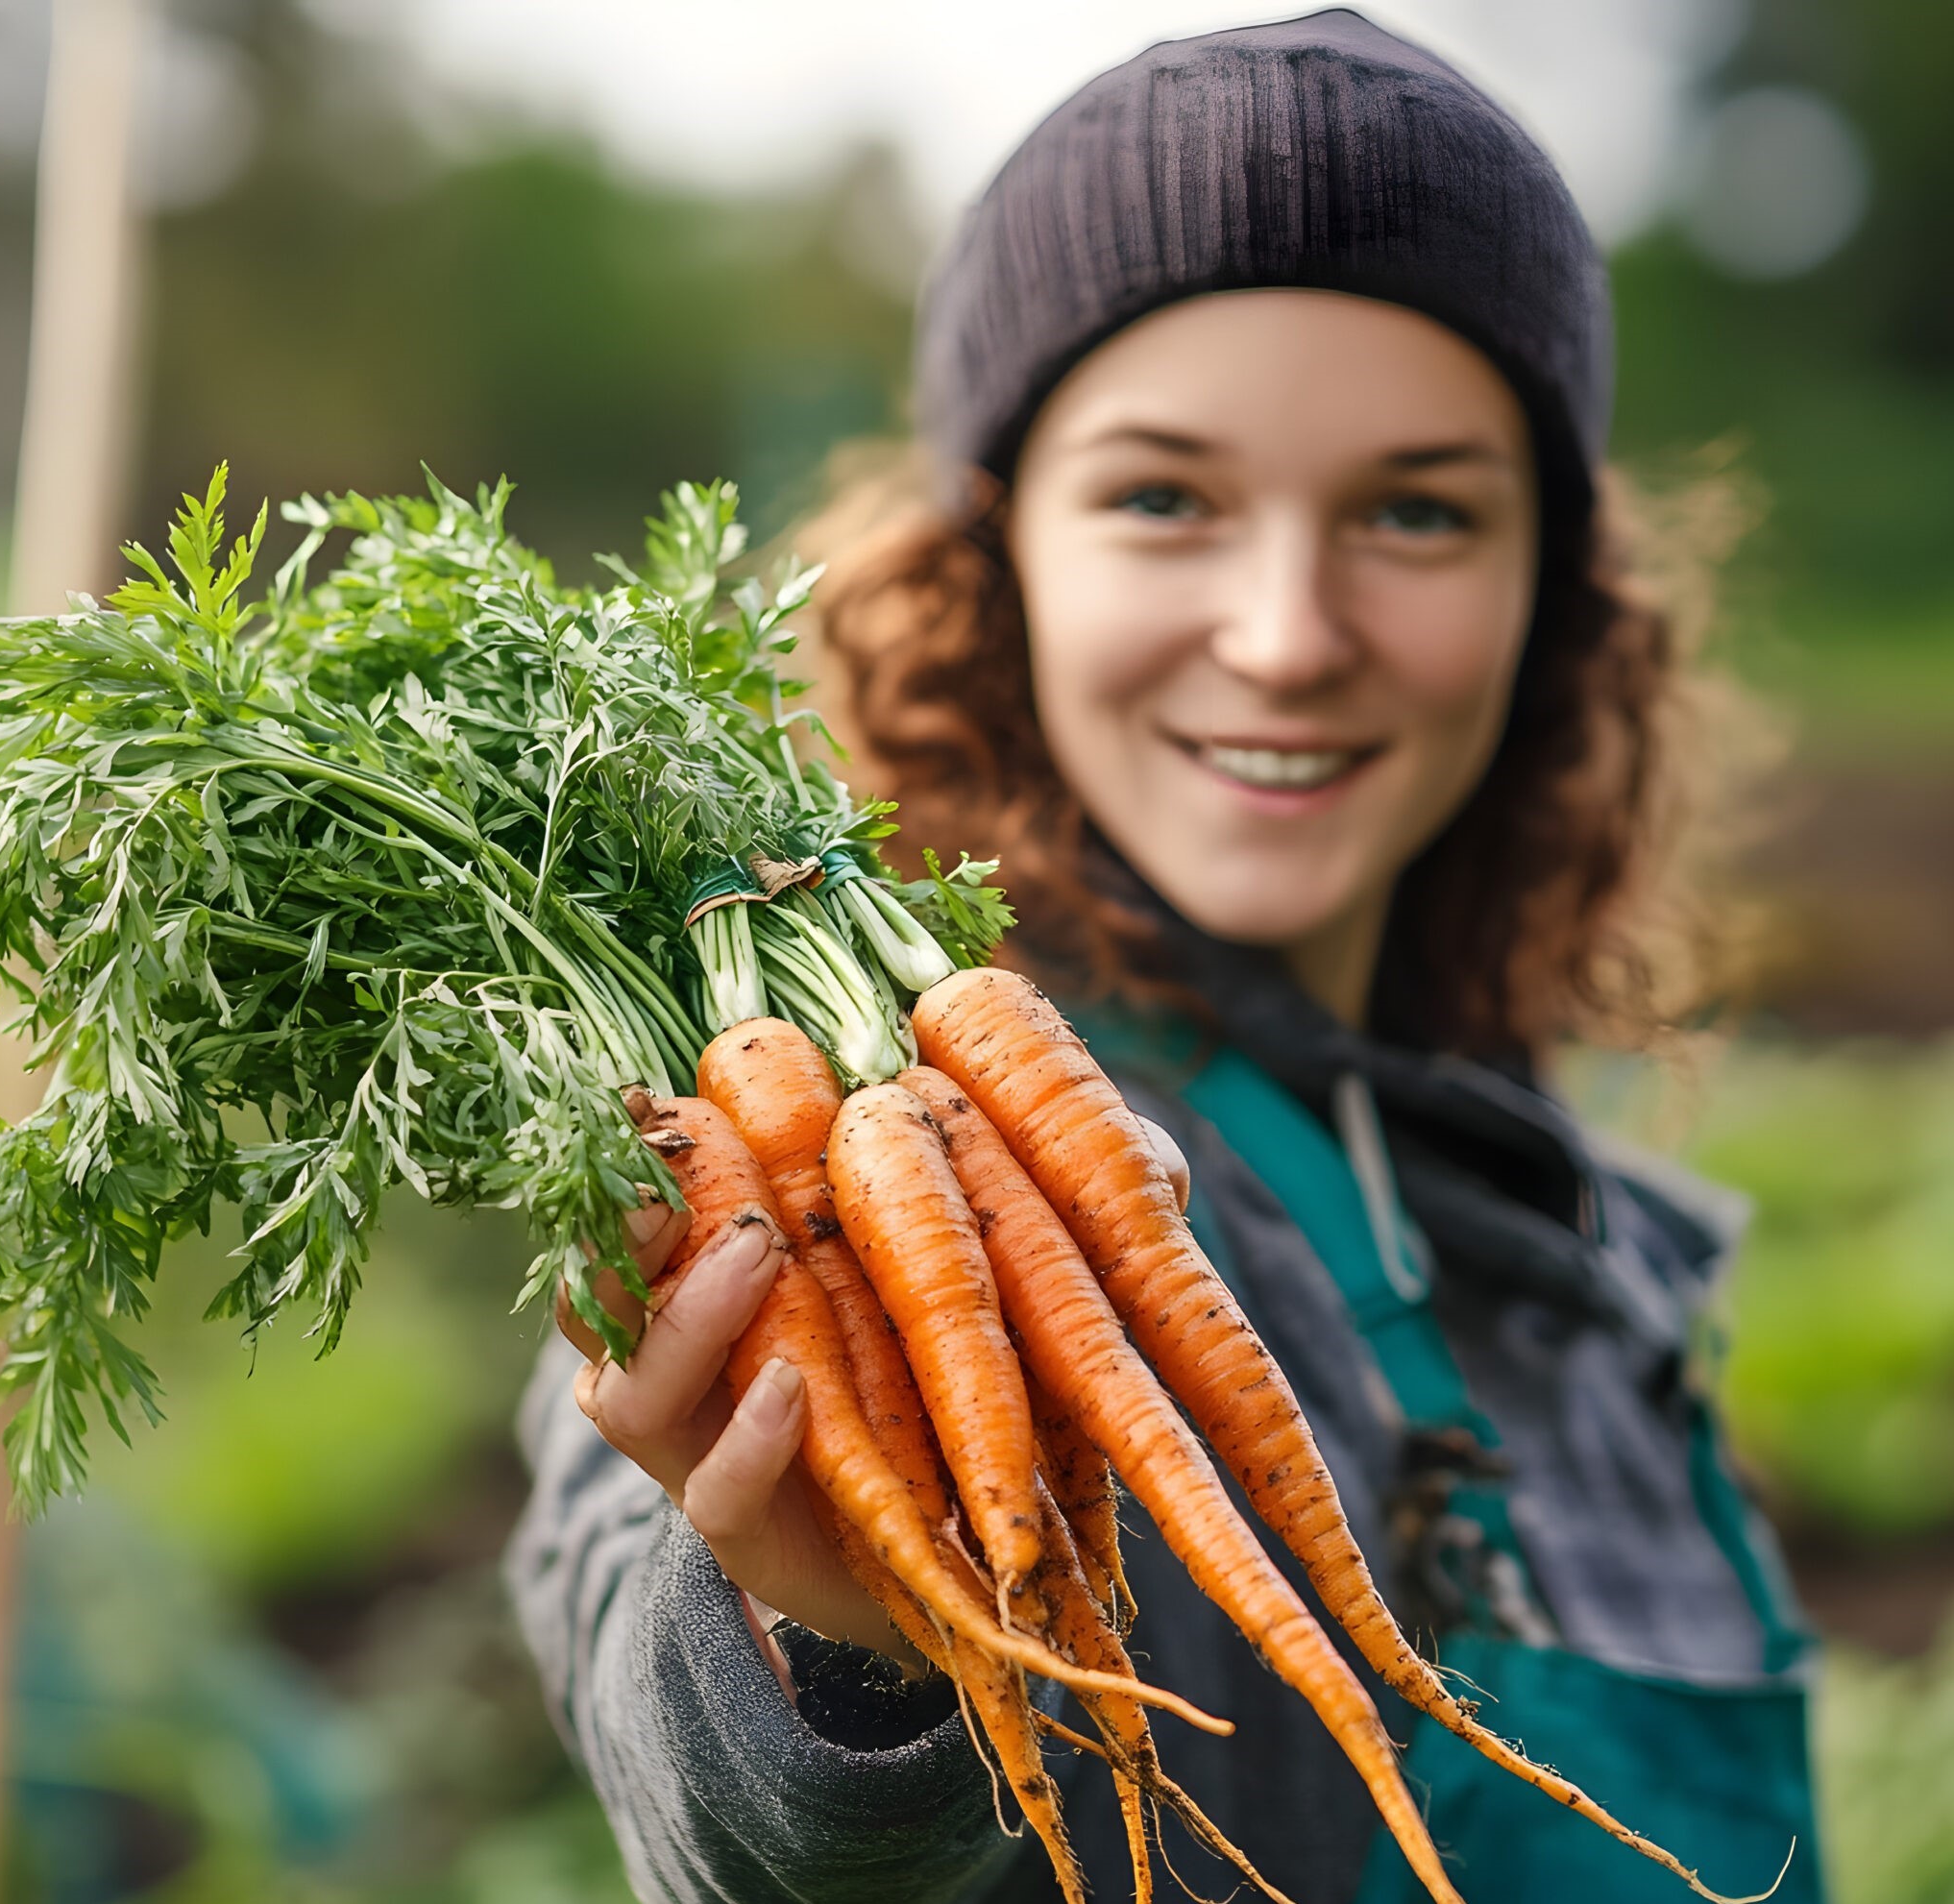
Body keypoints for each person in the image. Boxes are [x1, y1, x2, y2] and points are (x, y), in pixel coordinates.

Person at [506, 12, 1822, 1902]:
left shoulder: (1559, 1207)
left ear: (1552, 588)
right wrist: (849, 1651)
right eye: (1160, 497)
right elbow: (697, 1768)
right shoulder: (812, 1169)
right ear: (994, 559)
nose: (1286, 633)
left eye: (1415, 509)